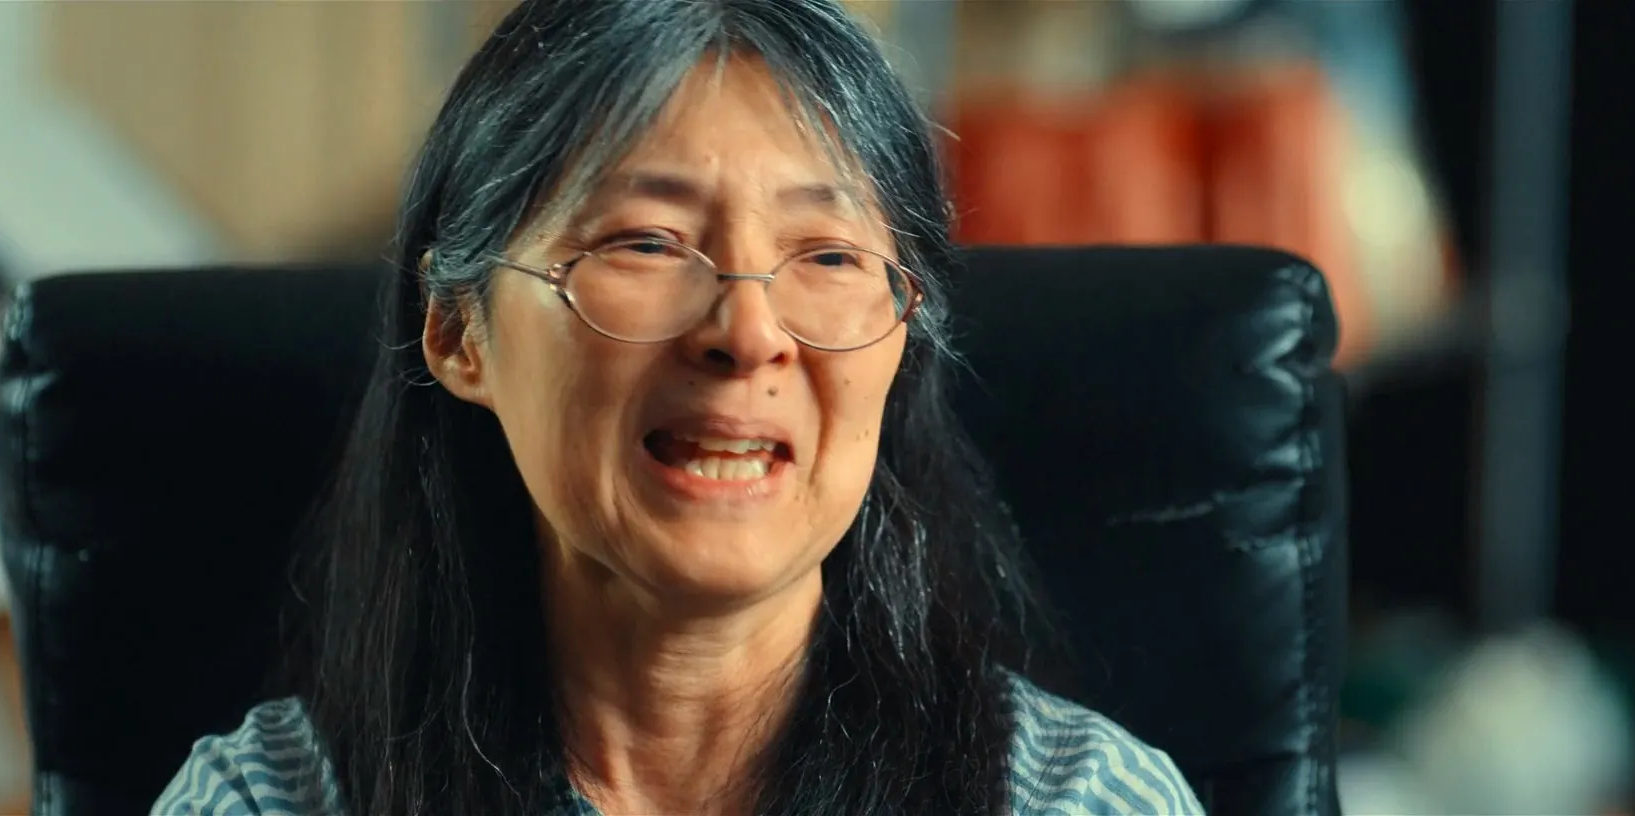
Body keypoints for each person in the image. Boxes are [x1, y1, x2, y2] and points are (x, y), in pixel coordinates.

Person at [153, 1, 1201, 814]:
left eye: (828, 255)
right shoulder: (272, 800)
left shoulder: (1074, 800)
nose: (747, 333)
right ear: (459, 330)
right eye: (646, 243)